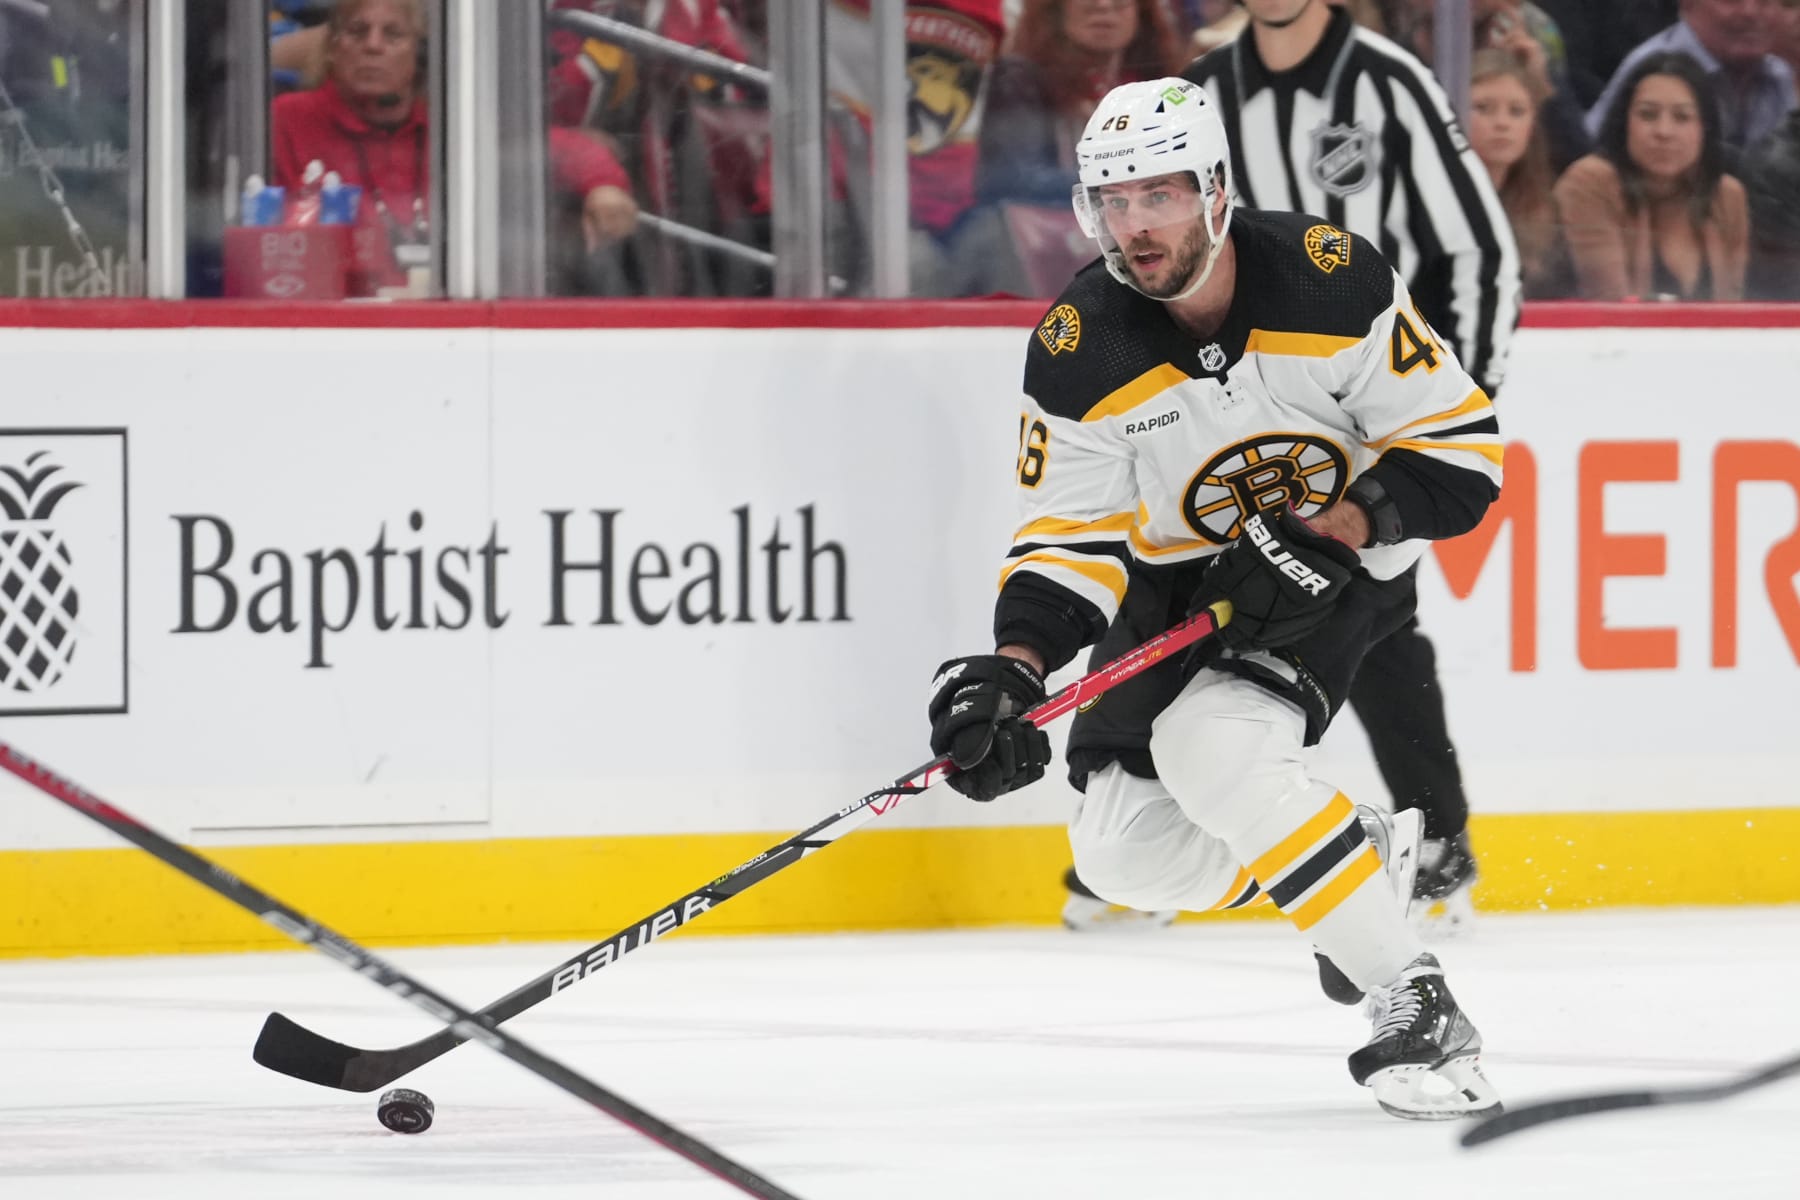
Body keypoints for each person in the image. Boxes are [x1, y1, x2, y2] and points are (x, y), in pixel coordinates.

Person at [928, 77, 1503, 1119]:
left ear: (1215, 193)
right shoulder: (1078, 349)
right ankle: (1352, 871)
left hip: (1338, 565)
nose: (1134, 226)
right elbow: (1072, 537)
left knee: (1212, 747)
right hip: (1177, 581)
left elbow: (1463, 459)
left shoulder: (1330, 283)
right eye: (1113, 201)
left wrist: (1344, 526)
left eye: (1158, 196)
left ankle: (1416, 1002)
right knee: (1122, 856)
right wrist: (1016, 666)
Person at [1057, 0, 1511, 940]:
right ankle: (1174, 843)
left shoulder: (1387, 80)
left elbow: (1475, 247)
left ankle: (1439, 840)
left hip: (1360, 414)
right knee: (1206, 609)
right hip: (1232, 413)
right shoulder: (1198, 90)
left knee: (1376, 625)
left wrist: (1440, 413)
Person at [269, 0, 637, 296]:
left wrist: (603, 186)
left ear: (420, 56)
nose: (373, 45)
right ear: (333, 49)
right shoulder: (288, 118)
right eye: (357, 32)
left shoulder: (446, 123)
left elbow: (563, 148)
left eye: (393, 34)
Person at [1556, 51, 1748, 299]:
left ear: (1704, 129)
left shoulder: (1727, 196)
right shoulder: (1591, 182)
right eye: (1648, 115)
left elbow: (1734, 312)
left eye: (1682, 117)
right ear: (1625, 123)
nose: (1664, 131)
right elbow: (1607, 303)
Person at [1583, 0, 1797, 153]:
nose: (1750, 11)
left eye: (1764, 1)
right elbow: (1589, 158)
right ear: (1687, 4)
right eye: (1731, 0)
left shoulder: (1779, 76)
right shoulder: (1652, 69)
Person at [1470, 48, 1573, 296]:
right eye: (1483, 108)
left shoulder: (1546, 209)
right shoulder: (1424, 202)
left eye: (1516, 111)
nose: (1502, 123)